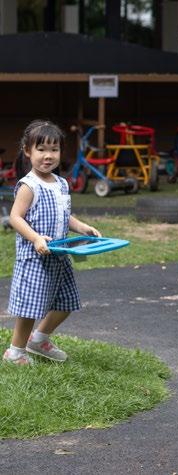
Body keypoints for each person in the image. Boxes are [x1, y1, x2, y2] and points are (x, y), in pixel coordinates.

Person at [3, 120, 101, 365]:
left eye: (54, 150)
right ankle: (15, 352)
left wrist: (82, 227)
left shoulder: (61, 183)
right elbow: (15, 217)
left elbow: (64, 215)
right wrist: (36, 238)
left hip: (59, 256)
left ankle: (38, 340)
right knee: (29, 308)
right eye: (41, 149)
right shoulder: (29, 185)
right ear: (28, 151)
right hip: (35, 258)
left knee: (67, 302)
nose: (48, 155)